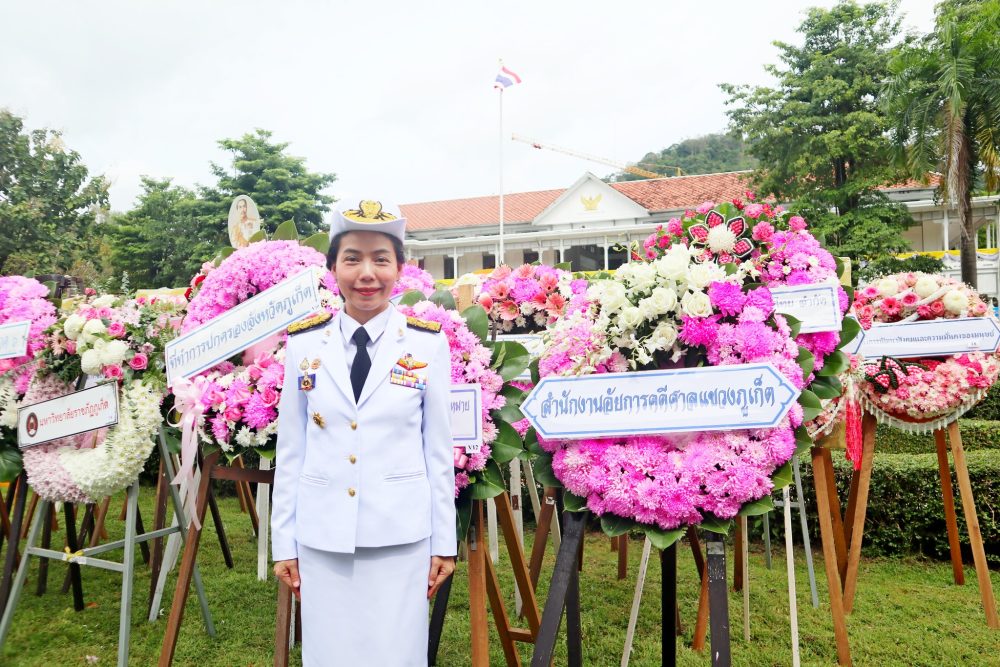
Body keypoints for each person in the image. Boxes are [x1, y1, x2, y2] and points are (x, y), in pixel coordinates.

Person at [271, 200, 456, 666]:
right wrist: (283, 543)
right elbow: (292, 449)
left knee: (397, 652)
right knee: (329, 652)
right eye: (352, 258)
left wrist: (444, 543)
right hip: (323, 536)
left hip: (400, 537)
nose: (367, 274)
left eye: (381, 259)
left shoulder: (427, 344)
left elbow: (437, 452)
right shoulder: (304, 344)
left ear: (400, 269)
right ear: (333, 267)